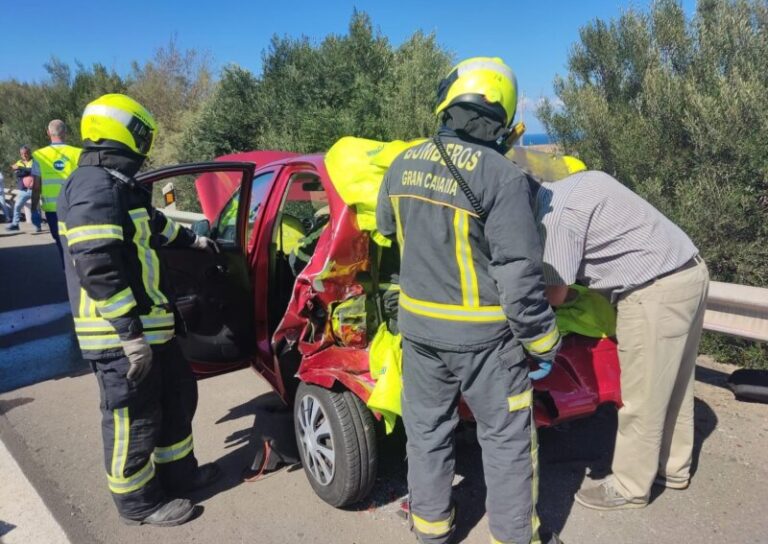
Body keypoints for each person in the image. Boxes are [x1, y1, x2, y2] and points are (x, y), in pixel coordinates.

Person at [377, 57, 562, 544]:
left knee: (427, 434)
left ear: (448, 99)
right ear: (502, 114)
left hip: (418, 334)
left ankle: (432, 531)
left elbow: (385, 231)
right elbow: (519, 274)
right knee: (506, 442)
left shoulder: (402, 163)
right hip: (485, 340)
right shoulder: (502, 176)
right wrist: (543, 342)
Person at [57, 93, 222, 526]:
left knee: (175, 398)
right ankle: (140, 504)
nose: (147, 140)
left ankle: (179, 476)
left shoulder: (118, 185)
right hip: (119, 338)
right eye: (143, 132)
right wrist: (130, 336)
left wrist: (197, 241)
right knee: (134, 419)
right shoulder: (93, 186)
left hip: (151, 331)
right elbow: (96, 263)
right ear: (125, 132)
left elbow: (155, 227)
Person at [535, 171, 709, 510]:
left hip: (652, 291)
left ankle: (630, 487)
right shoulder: (573, 185)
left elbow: (554, 295)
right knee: (674, 384)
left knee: (640, 394)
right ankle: (673, 469)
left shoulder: (554, 220)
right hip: (689, 272)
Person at [30, 120, 82, 261]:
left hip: (53, 210)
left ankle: (69, 274)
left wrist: (34, 208)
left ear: (48, 133)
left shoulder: (39, 156)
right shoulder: (77, 153)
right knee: (78, 243)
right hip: (75, 207)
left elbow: (36, 186)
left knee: (62, 245)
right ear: (65, 132)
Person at [5, 145, 42, 231]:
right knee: (17, 206)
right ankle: (15, 224)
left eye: (26, 153)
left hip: (34, 189)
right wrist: (27, 171)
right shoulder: (19, 162)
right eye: (22, 154)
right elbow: (18, 174)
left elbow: (34, 171)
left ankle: (38, 226)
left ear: (29, 153)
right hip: (24, 190)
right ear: (20, 154)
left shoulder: (35, 161)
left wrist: (22, 169)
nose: (24, 155)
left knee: (35, 208)